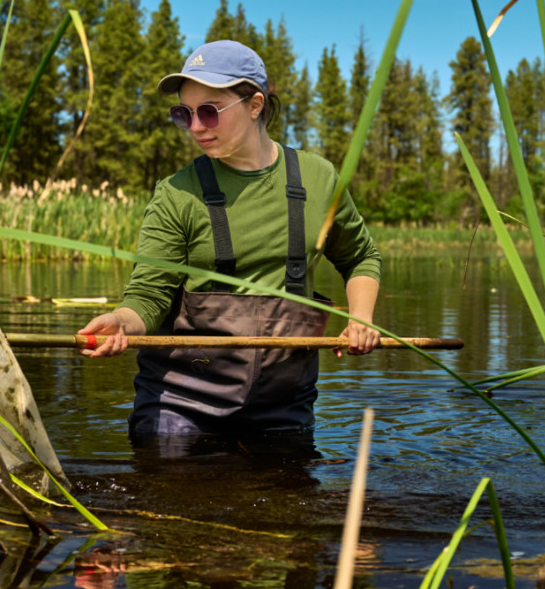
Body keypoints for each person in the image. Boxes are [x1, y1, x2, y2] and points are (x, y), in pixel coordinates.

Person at [77, 40, 382, 437]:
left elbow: (360, 258)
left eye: (209, 112)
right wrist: (119, 321)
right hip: (180, 408)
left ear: (255, 105)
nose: (196, 127)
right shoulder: (176, 193)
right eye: (183, 114)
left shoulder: (319, 179)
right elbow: (148, 298)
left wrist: (360, 319)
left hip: (284, 408)